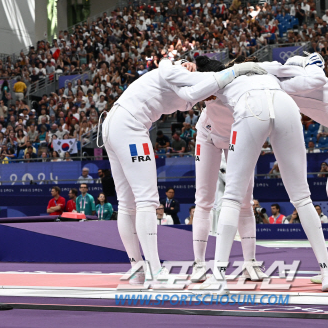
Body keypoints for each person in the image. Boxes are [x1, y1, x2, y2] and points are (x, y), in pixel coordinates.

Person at [102, 55, 263, 286]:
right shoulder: (182, 74)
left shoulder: (185, 76)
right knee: (146, 201)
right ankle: (155, 272)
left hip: (114, 124)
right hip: (129, 126)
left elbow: (194, 83)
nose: (210, 97)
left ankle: (137, 270)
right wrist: (237, 70)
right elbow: (178, 73)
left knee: (127, 204)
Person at [194, 53, 328, 292]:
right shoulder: (263, 67)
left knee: (232, 196)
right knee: (302, 196)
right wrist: (308, 63)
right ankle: (327, 270)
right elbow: (299, 74)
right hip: (284, 102)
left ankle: (219, 275)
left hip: (251, 107)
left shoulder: (218, 81)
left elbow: (188, 95)